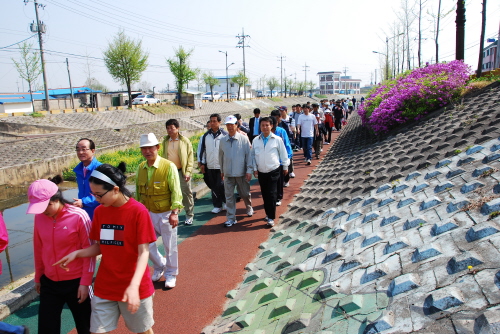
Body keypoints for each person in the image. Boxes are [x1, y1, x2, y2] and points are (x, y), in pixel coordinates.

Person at [54, 163, 156, 334]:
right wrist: (77, 253)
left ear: (115, 189)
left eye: (99, 195)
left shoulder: (138, 212)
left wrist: (133, 286)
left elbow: (143, 252)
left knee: (143, 330)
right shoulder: (101, 212)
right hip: (106, 285)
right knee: (97, 330)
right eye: (93, 194)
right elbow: (101, 247)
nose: (95, 199)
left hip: (135, 285)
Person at [27, 177, 94, 334]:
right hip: (49, 283)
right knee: (47, 328)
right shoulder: (39, 217)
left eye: (46, 206)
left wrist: (85, 283)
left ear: (56, 199)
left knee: (87, 328)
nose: (43, 211)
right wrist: (39, 276)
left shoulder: (79, 216)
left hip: (76, 282)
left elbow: (89, 251)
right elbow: (38, 248)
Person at [137, 133, 183, 289]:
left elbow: (176, 191)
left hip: (166, 213)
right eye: (144, 148)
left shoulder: (168, 166)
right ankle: (159, 265)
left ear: (157, 147)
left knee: (170, 246)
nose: (147, 151)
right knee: (146, 244)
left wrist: (174, 212)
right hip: (148, 213)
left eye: (150, 148)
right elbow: (138, 193)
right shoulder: (141, 168)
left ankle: (171, 273)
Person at [251, 117, 290, 227]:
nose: (265, 127)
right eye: (263, 125)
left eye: (267, 125)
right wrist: (254, 168)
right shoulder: (255, 140)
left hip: (274, 170)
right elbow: (253, 156)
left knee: (272, 193)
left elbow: (283, 154)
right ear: (260, 127)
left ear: (271, 126)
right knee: (265, 194)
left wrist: (285, 166)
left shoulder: (277, 139)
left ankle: (271, 217)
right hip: (261, 171)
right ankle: (268, 213)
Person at [218, 115, 253, 227]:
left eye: (232, 125)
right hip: (228, 173)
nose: (230, 127)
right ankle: (231, 218)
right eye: (228, 125)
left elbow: (248, 155)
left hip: (241, 173)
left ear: (236, 125)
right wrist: (222, 170)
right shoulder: (223, 140)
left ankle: (248, 206)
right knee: (229, 196)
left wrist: (249, 170)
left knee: (244, 193)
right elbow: (221, 156)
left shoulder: (243, 138)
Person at [161, 119, 195, 226]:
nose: (170, 130)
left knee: (186, 193)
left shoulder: (184, 141)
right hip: (170, 172)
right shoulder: (165, 141)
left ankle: (189, 215)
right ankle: (175, 214)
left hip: (182, 171)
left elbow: (190, 157)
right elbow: (163, 157)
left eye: (172, 128)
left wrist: (188, 172)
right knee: (172, 193)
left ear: (177, 128)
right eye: (168, 128)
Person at [198, 114, 227, 214]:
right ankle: (217, 205)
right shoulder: (205, 136)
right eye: (211, 121)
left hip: (221, 166)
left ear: (219, 122)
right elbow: (202, 150)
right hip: (210, 165)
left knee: (221, 185)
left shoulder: (225, 135)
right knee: (214, 186)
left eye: (215, 121)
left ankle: (226, 201)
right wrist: (202, 163)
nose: (212, 123)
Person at [72, 138, 102, 220]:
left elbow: (104, 194)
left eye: (84, 149)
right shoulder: (78, 170)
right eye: (78, 150)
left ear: (93, 151)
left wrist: (83, 202)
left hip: (99, 213)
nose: (80, 152)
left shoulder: (100, 169)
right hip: (84, 213)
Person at [270, 110, 293, 200]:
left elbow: (287, 144)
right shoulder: (264, 134)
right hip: (270, 161)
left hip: (280, 161)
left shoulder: (281, 131)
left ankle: (279, 197)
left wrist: (288, 157)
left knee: (279, 180)